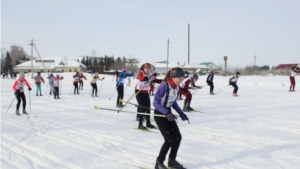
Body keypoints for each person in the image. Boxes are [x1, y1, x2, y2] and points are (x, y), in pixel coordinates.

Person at [153, 67, 188, 169]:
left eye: (182, 78)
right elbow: (155, 102)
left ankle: (171, 160)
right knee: (169, 140)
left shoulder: (175, 87)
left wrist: (181, 113)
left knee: (177, 137)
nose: (181, 81)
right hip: (160, 114)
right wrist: (166, 112)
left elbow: (173, 103)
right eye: (180, 78)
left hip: (168, 113)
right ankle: (159, 163)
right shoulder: (164, 86)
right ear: (173, 76)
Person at [135, 63, 160, 129]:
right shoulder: (141, 72)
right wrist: (150, 77)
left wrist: (164, 81)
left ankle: (148, 123)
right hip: (139, 92)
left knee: (148, 108)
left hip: (145, 92)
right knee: (142, 108)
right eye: (146, 68)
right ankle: (140, 124)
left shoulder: (150, 74)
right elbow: (141, 79)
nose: (148, 70)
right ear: (143, 68)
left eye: (149, 68)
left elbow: (156, 80)